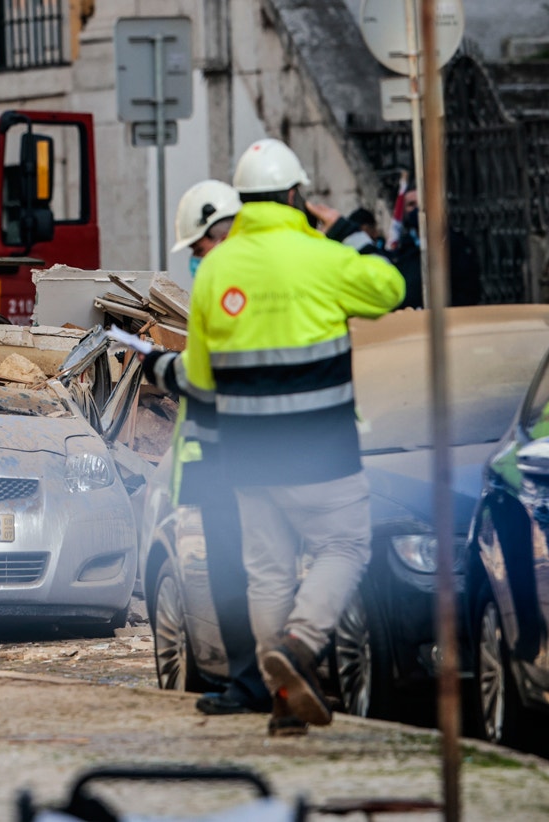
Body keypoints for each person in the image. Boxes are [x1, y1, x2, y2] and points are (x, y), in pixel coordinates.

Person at [146, 139, 404, 736]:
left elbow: (202, 379)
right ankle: (300, 642)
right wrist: (342, 235)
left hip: (247, 457)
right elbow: (391, 289)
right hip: (321, 449)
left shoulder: (216, 271)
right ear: (295, 196)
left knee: (267, 573)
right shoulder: (321, 257)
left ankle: (284, 700)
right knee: (344, 546)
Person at [160, 181, 271, 717]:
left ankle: (254, 683)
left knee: (241, 574)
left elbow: (207, 376)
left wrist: (165, 370)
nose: (197, 259)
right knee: (249, 573)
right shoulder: (264, 274)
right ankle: (259, 681)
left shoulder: (229, 282)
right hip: (236, 453)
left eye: (198, 247)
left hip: (233, 455)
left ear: (217, 232)